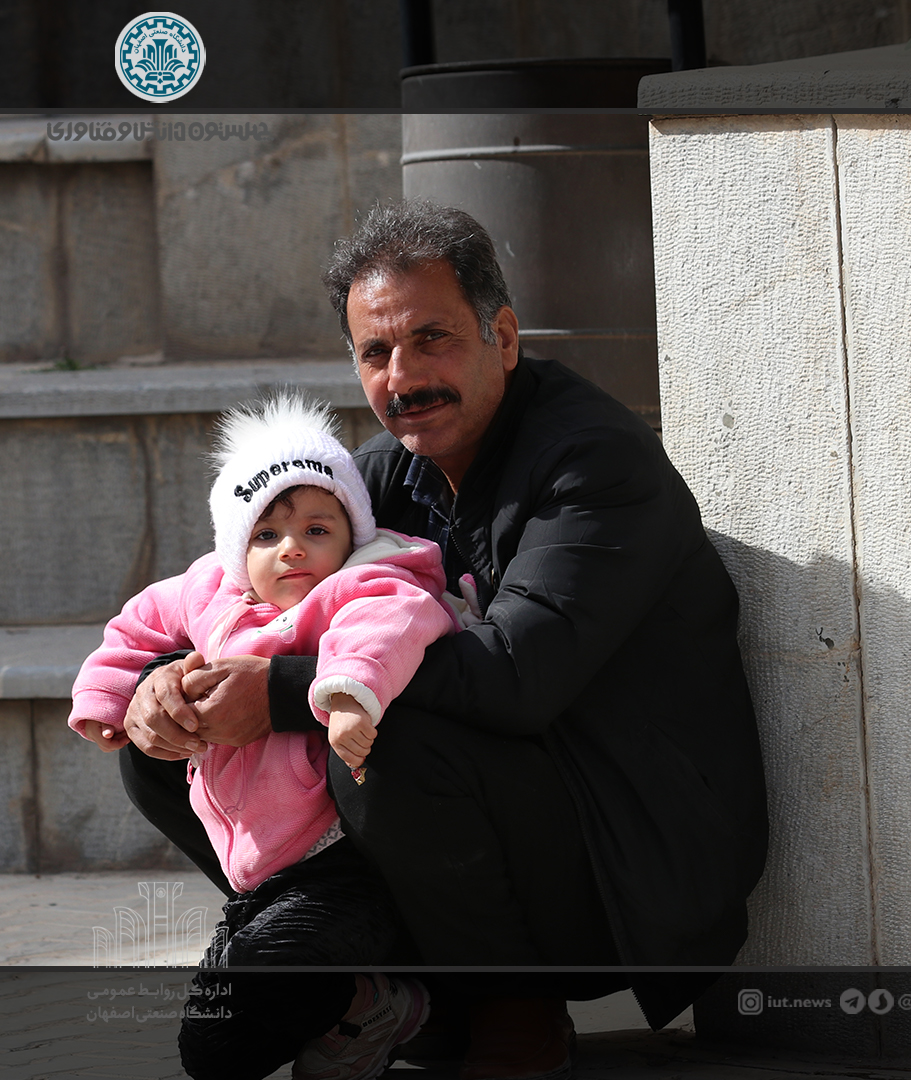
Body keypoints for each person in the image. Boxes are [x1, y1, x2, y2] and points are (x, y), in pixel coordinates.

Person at [115, 201, 769, 1080]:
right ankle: (371, 991)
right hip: (479, 828)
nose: (405, 377)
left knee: (387, 733)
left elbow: (515, 677)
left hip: (627, 848)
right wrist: (169, 683)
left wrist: (272, 694)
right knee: (167, 746)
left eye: (433, 339)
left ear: (504, 336)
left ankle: (513, 1012)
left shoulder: (594, 464)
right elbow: (249, 597)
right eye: (376, 353)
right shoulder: (383, 476)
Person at [68, 395, 459, 1080]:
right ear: (236, 549)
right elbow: (138, 625)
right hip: (262, 871)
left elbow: (385, 628)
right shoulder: (210, 590)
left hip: (343, 864)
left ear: (352, 532)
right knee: (212, 1049)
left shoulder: (362, 582)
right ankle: (358, 1000)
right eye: (267, 535)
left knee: (249, 1010)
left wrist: (347, 696)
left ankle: (382, 1000)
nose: (292, 549)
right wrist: (108, 700)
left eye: (317, 528)